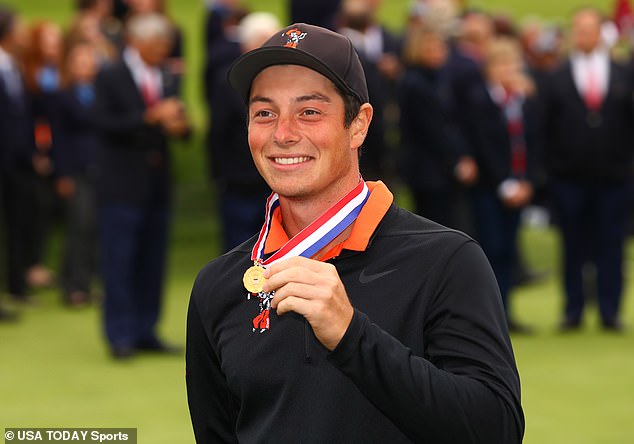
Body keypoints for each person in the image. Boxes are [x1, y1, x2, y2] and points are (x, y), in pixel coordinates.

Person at [186, 23, 524, 443]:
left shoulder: (447, 260)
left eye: (309, 111)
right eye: (264, 113)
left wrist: (351, 335)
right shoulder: (219, 286)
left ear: (359, 125)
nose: (283, 133)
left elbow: (496, 429)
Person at [94, 12, 189, 359]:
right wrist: (150, 117)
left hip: (157, 183)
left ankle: (146, 329)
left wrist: (181, 126)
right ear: (136, 42)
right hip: (121, 185)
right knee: (120, 261)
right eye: (157, 44)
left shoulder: (166, 74)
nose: (163, 50)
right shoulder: (110, 74)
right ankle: (119, 335)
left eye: (165, 44)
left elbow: (179, 123)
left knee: (153, 259)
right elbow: (103, 123)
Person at [542, 7, 634, 332]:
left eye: (590, 29)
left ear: (601, 33)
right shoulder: (556, 76)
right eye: (578, 29)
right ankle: (573, 310)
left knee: (611, 246)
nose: (584, 35)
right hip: (569, 177)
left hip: (614, 177)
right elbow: (546, 127)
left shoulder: (623, 73)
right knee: (573, 247)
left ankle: (610, 311)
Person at [464, 36, 539, 334]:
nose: (509, 69)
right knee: (490, 251)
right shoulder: (479, 99)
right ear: (490, 67)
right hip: (489, 189)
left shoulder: (523, 98)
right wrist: (503, 183)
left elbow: (534, 142)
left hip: (519, 186)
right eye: (503, 63)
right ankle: (487, 319)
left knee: (509, 252)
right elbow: (482, 144)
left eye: (514, 63)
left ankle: (506, 314)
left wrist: (527, 181)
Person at [205, 12, 277, 252]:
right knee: (239, 251)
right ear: (247, 44)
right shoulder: (227, 79)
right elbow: (218, 132)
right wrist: (220, 174)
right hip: (238, 180)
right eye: (263, 42)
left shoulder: (285, 80)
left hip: (276, 180)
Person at [53, 41, 101, 307]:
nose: (86, 67)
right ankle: (71, 285)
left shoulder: (100, 93)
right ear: (71, 66)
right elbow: (58, 138)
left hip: (100, 169)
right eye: (80, 63)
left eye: (90, 62)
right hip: (76, 170)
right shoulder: (63, 96)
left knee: (94, 228)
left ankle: (86, 282)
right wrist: (63, 174)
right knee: (79, 226)